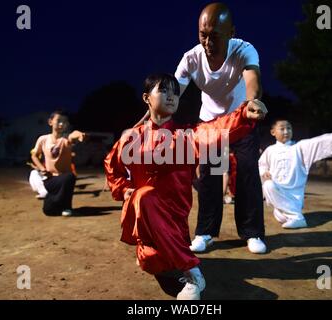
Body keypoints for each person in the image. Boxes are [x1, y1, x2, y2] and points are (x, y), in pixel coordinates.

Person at [104, 73, 267, 300]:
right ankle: (187, 268)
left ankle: (190, 272)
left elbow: (217, 128)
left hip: (175, 224)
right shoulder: (132, 137)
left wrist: (243, 115)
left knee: (152, 243)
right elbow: (112, 166)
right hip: (144, 224)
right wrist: (123, 189)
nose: (171, 96)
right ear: (146, 98)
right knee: (145, 210)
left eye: (175, 92)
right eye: (163, 91)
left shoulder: (187, 136)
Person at [174, 2, 266, 254]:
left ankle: (252, 233)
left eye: (214, 36)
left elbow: (252, 80)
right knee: (209, 177)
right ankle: (205, 232)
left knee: (247, 172)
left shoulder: (244, 50)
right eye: (203, 35)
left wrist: (253, 102)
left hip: (241, 117)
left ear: (231, 33)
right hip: (210, 125)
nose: (207, 42)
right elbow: (170, 95)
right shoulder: (190, 59)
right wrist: (147, 121)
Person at [258, 119, 332, 228]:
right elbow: (261, 165)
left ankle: (297, 217)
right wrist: (264, 172)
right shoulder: (270, 150)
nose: (286, 131)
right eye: (282, 129)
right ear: (273, 132)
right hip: (278, 195)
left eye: (289, 128)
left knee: (279, 203)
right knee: (268, 186)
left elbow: (318, 142)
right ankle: (292, 215)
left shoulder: (299, 147)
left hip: (294, 195)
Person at [31, 110, 86, 217]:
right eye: (59, 121)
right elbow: (34, 155)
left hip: (65, 178)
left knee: (69, 177)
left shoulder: (66, 139)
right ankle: (58, 204)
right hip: (50, 179)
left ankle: (67, 207)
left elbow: (73, 135)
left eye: (65, 122)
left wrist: (80, 134)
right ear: (50, 122)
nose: (62, 124)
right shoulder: (43, 139)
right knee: (48, 211)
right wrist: (42, 168)